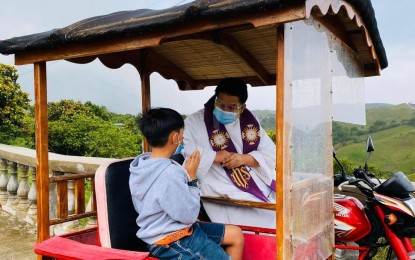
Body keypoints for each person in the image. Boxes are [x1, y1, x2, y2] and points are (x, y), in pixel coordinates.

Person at [129, 107, 244, 260]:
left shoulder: (141, 164)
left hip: (168, 229)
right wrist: (191, 177)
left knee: (235, 235)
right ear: (176, 137)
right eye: (182, 133)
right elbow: (189, 215)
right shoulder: (169, 174)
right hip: (172, 239)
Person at [183, 78, 276, 229]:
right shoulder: (194, 122)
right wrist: (214, 156)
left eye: (231, 107)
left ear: (242, 108)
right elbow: (186, 149)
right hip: (219, 184)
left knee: (285, 202)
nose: (224, 110)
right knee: (268, 216)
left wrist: (244, 159)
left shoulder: (250, 121)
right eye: (220, 104)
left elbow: (271, 153)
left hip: (256, 178)